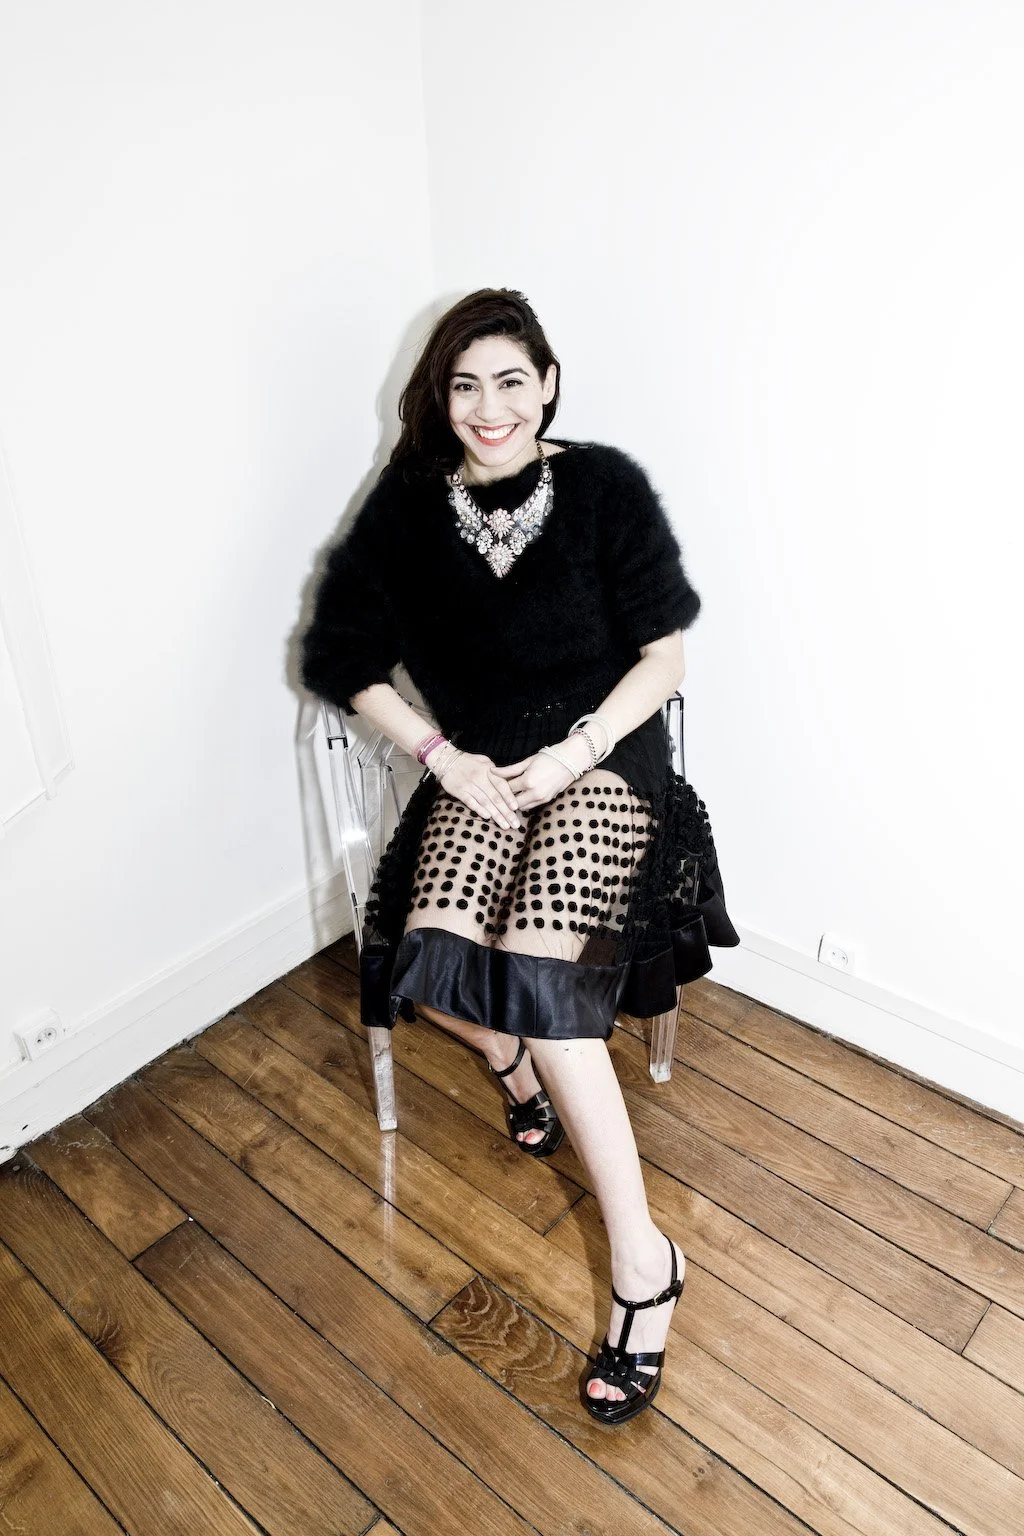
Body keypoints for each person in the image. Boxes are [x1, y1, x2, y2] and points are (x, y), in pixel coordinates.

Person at [300, 288, 739, 1424]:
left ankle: (644, 1265)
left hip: (597, 757)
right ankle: (512, 1067)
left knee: (546, 985)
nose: (488, 407)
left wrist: (579, 747)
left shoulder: (603, 488)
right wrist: (441, 757)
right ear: (439, 398)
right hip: (483, 769)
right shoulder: (408, 502)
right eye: (464, 384)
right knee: (423, 958)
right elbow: (341, 654)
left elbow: (666, 655)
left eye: (509, 380)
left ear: (546, 382)